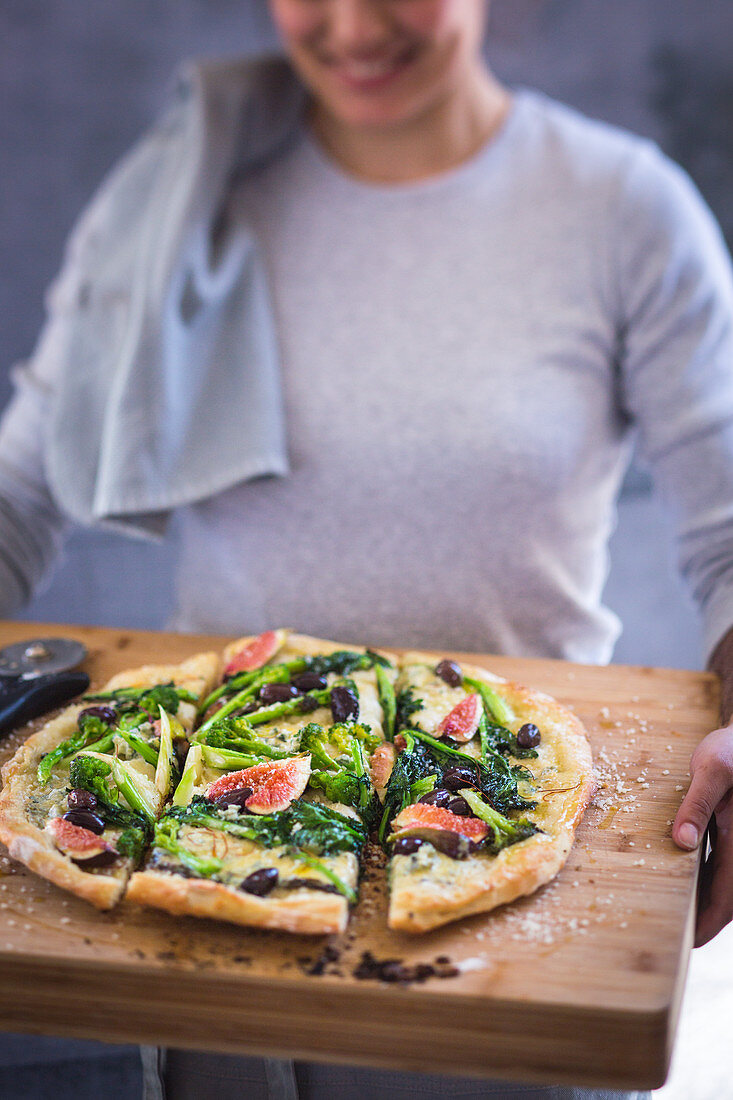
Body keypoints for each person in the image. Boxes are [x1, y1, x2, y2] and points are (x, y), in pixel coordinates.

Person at [2, 1, 733, 1096]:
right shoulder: (180, 197)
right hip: (195, 851)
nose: (350, 26)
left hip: (505, 916)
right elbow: (21, 489)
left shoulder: (623, 208)